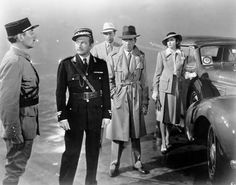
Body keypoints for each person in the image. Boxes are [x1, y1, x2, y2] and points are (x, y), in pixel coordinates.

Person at [56, 28, 111, 185]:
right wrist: (62, 116)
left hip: (95, 113)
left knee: (93, 152)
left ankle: (91, 182)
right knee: (71, 153)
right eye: (77, 42)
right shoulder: (66, 65)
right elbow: (60, 93)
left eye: (83, 42)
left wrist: (107, 114)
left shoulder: (101, 64)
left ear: (91, 44)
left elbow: (105, 91)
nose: (79, 46)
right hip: (74, 114)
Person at [0, 17, 39, 185]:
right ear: (20, 36)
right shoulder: (14, 61)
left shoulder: (20, 58)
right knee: (14, 171)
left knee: (16, 169)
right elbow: (7, 103)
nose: (34, 36)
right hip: (20, 128)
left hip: (26, 124)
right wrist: (14, 132)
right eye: (31, 32)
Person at [106, 25, 149, 177]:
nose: (128, 43)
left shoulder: (141, 56)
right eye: (125, 40)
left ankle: (137, 161)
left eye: (131, 40)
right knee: (118, 132)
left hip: (136, 96)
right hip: (120, 96)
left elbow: (144, 82)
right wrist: (113, 94)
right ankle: (114, 164)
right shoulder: (113, 56)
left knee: (135, 132)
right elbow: (109, 79)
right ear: (122, 41)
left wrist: (145, 102)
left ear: (135, 40)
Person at [152, 32, 185, 154]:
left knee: (171, 117)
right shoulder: (161, 54)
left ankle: (167, 137)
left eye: (172, 40)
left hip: (175, 88)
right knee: (162, 117)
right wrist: (155, 90)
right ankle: (164, 143)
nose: (170, 42)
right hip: (164, 88)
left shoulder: (182, 54)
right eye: (168, 41)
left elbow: (183, 72)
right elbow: (157, 73)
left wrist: (190, 75)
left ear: (177, 41)